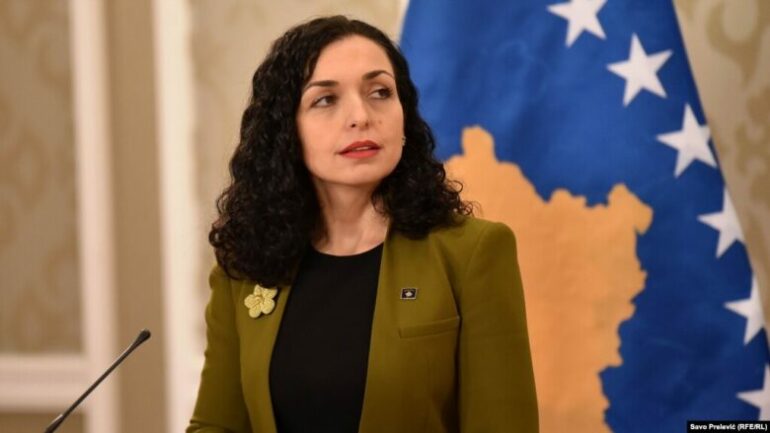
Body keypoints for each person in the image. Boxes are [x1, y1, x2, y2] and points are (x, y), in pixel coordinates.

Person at [187, 15, 538, 433]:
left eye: (380, 92)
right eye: (325, 100)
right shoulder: (245, 267)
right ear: (287, 132)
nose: (360, 116)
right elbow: (216, 425)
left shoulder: (472, 252)